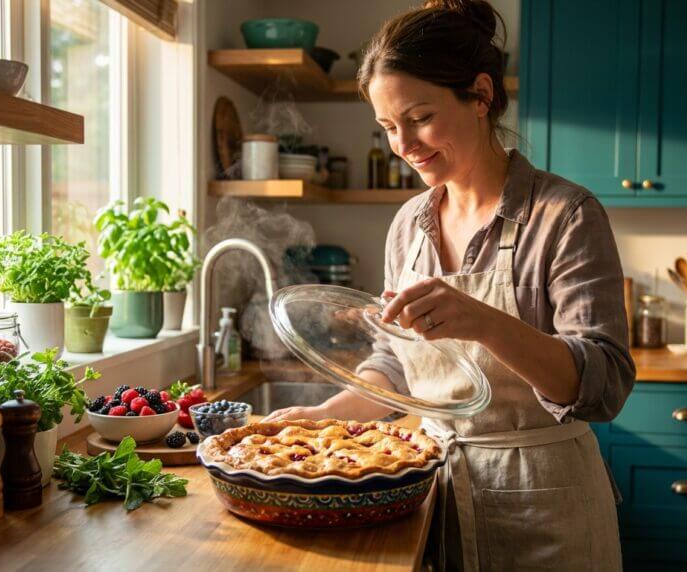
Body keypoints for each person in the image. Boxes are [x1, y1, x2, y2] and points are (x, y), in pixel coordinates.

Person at [264, 0, 635, 569]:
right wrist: (325, 415)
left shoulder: (565, 215)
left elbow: (604, 385)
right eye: (389, 127)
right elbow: (394, 364)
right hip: (434, 491)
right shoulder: (408, 224)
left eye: (419, 117)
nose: (403, 145)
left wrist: (485, 323)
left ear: (481, 95)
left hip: (546, 505)